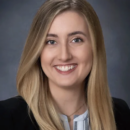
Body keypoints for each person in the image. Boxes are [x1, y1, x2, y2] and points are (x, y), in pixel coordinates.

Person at [0, 0, 130, 130]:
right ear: (37, 51)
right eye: (51, 41)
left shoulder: (120, 113)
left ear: (95, 47)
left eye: (76, 40)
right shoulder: (6, 116)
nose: (64, 56)